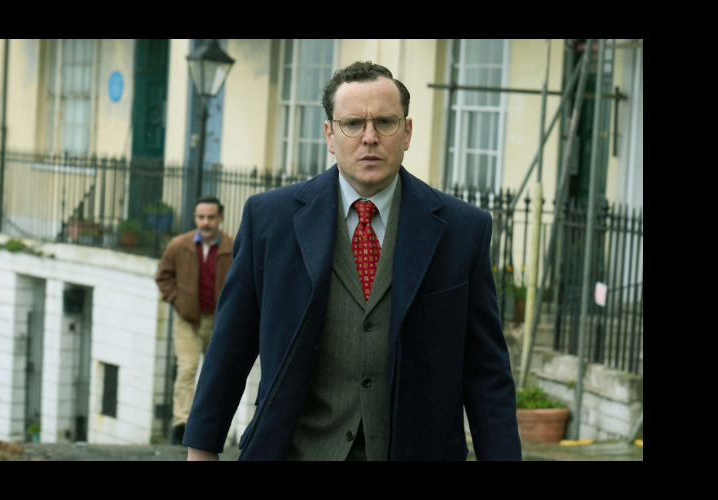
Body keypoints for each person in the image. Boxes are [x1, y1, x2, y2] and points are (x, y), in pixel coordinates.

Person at [184, 61, 521, 461]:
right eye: (353, 123)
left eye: (385, 122)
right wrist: (202, 450)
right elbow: (229, 349)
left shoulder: (463, 230)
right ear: (329, 134)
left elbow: (486, 373)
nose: (370, 137)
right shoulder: (270, 220)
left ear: (408, 132)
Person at [155, 196, 234, 445]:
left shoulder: (233, 246)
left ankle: (209, 424)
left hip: (220, 322)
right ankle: (181, 423)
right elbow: (163, 277)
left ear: (220, 218)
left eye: (211, 217)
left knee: (216, 374)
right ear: (194, 218)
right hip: (188, 320)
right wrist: (179, 301)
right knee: (187, 368)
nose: (206, 222)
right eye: (201, 217)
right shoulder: (179, 245)